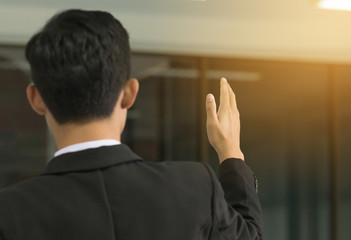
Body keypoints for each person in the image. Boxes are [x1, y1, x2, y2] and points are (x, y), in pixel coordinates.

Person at [0, 9, 263, 240]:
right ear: (129, 93)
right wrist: (231, 154)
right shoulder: (194, 188)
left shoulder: (9, 213)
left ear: (36, 99)